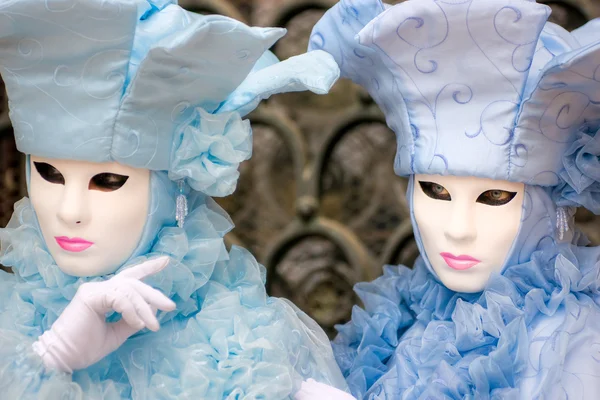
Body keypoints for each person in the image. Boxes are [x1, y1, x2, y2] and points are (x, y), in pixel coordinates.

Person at [0, 1, 347, 398]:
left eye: (108, 181)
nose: (69, 212)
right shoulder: (7, 324)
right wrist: (50, 357)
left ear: (173, 192)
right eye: (50, 174)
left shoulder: (242, 354)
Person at [296, 0, 600, 398]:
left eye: (494, 197)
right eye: (435, 191)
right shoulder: (407, 318)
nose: (458, 230)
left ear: (551, 202)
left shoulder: (567, 339)